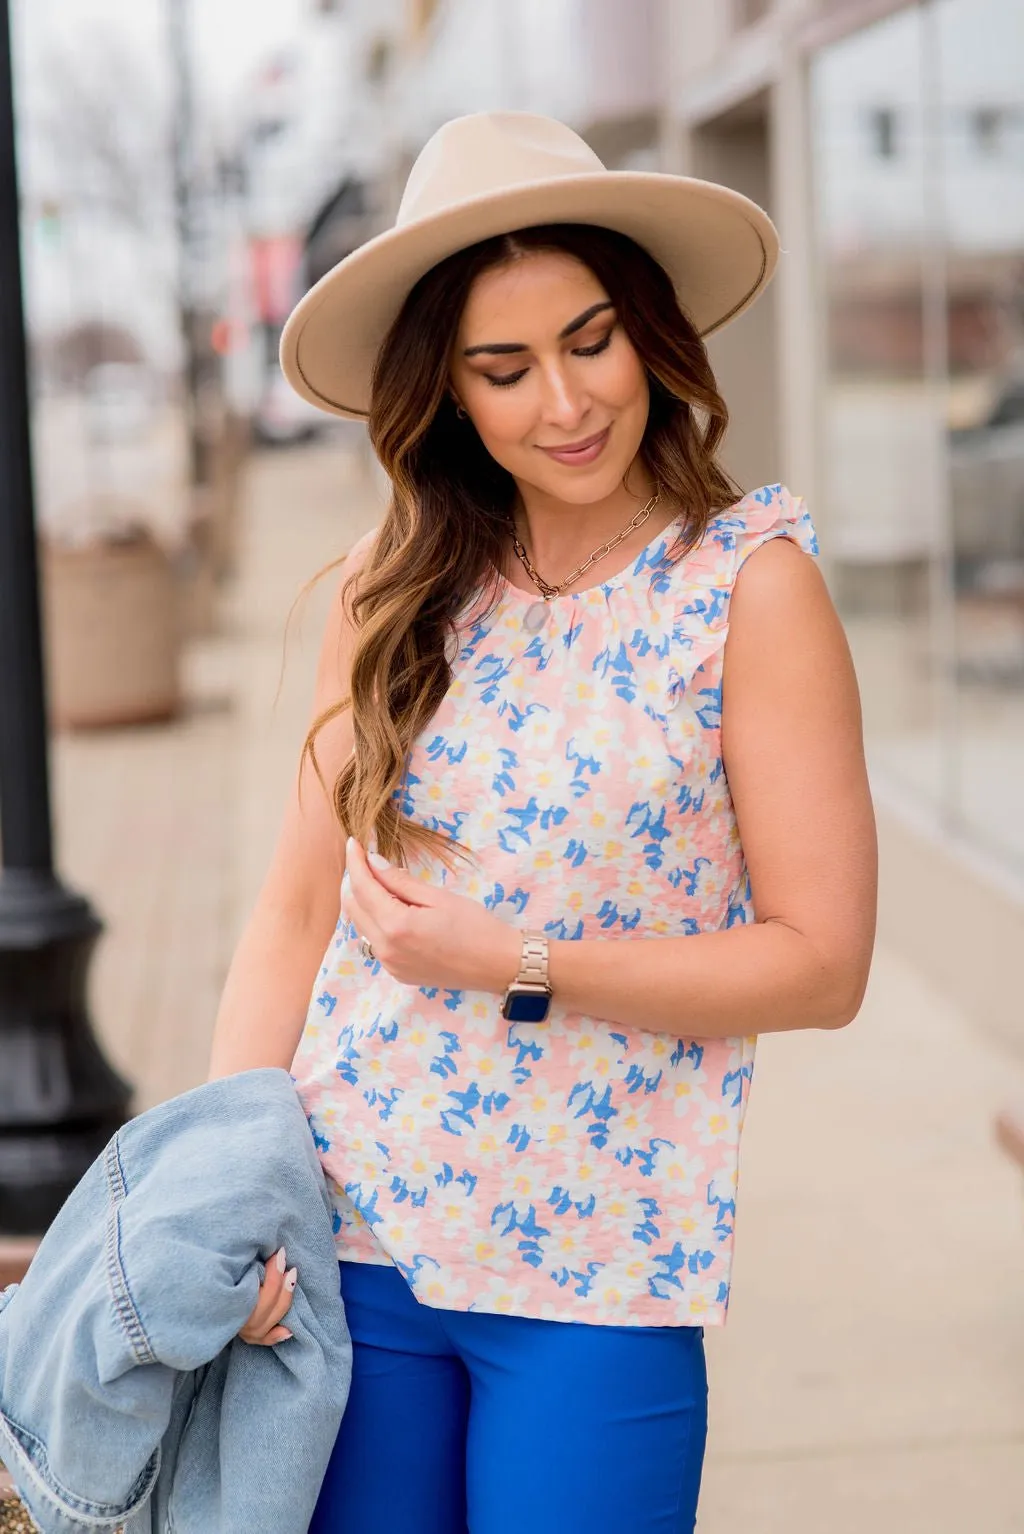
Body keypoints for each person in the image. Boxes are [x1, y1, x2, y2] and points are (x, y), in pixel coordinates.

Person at [208, 113, 877, 1534]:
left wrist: (519, 958)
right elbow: (290, 913)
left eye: (591, 342)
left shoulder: (745, 588)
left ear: (649, 334)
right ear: (444, 393)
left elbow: (822, 959)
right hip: (353, 1241)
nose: (566, 402)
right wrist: (232, 1190)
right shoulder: (391, 588)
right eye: (504, 369)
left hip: (597, 1268)